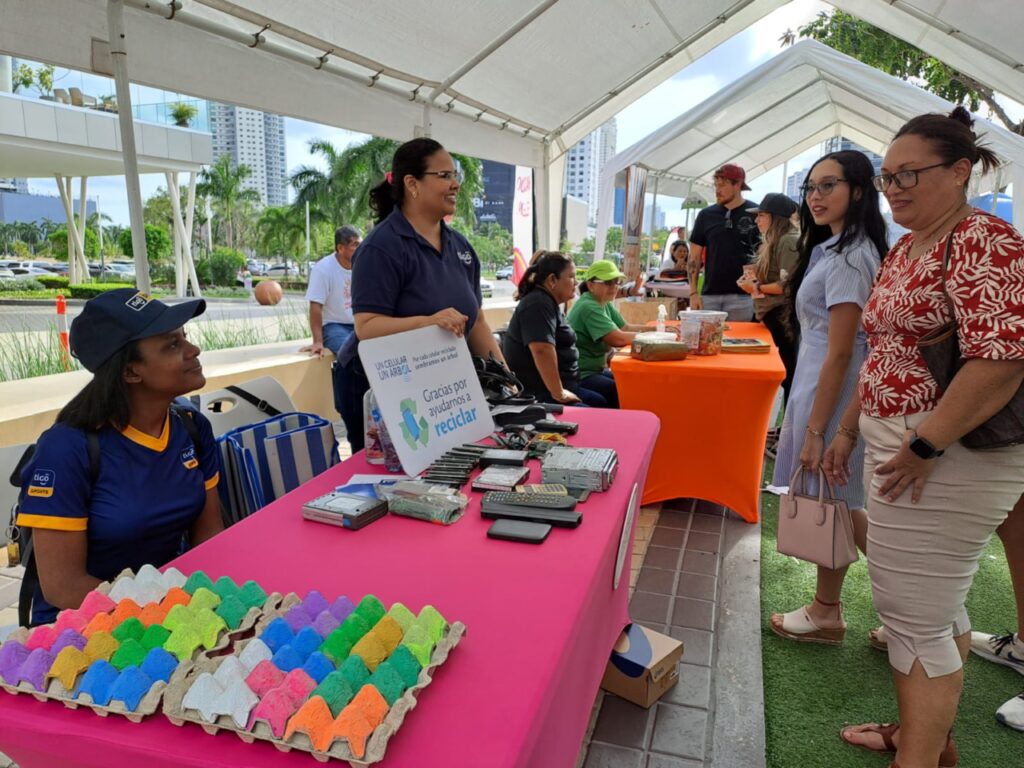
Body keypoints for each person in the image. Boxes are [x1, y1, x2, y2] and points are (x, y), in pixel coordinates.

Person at [825, 107, 1024, 768]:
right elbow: (882, 353)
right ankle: (927, 740)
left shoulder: (982, 239)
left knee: (911, 617)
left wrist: (923, 445)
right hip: (907, 447)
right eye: (886, 178)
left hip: (945, 456)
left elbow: (1000, 361)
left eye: (909, 174)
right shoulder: (910, 245)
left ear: (961, 170)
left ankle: (920, 753)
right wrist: (851, 430)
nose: (895, 188)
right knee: (930, 610)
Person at [16, 289, 223, 625]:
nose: (193, 350)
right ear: (129, 372)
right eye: (172, 345)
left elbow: (210, 537)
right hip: (83, 625)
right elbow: (63, 587)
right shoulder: (67, 450)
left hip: (168, 609)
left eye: (185, 337)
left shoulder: (192, 428)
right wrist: (160, 614)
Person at [767, 151, 888, 651]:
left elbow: (844, 349)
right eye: (810, 187)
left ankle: (833, 611)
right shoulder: (836, 248)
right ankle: (899, 609)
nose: (815, 196)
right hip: (819, 384)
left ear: (858, 190)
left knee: (836, 496)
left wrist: (819, 429)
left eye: (828, 185)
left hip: (832, 389)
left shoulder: (851, 256)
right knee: (839, 501)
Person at [334, 138, 505, 450]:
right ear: (411, 184)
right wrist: (429, 322)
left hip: (435, 382)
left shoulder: (461, 247)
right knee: (390, 477)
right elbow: (367, 327)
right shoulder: (381, 247)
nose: (455, 184)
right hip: (374, 384)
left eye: (457, 176)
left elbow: (476, 320)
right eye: (445, 176)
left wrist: (507, 381)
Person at [501, 251, 599, 406]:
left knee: (606, 396)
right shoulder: (537, 304)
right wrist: (559, 393)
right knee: (598, 408)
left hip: (567, 384)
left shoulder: (547, 301)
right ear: (552, 279)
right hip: (542, 394)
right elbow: (542, 349)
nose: (576, 282)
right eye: (572, 277)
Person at [737, 192, 800, 406]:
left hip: (782, 317)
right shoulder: (775, 241)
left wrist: (755, 286)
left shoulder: (788, 241)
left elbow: (787, 286)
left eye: (761, 215)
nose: (756, 220)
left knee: (789, 374)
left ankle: (788, 430)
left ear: (775, 217)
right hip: (772, 315)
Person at [301, 225, 362, 445]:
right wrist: (317, 341)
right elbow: (315, 306)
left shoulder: (361, 265)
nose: (359, 247)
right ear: (340, 248)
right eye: (355, 244)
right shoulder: (323, 269)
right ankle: (345, 408)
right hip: (334, 325)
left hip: (358, 324)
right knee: (351, 355)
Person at [565, 260, 647, 408]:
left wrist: (661, 330)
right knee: (621, 389)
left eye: (616, 282)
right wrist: (655, 337)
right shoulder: (588, 306)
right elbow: (618, 339)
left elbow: (626, 327)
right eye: (608, 282)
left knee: (630, 381)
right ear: (590, 285)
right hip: (581, 374)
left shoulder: (603, 302)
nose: (614, 286)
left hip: (594, 370)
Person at [687, 164, 761, 320]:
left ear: (738, 185)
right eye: (716, 185)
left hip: (744, 296)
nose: (717, 190)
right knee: (707, 343)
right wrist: (693, 293)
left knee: (739, 342)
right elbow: (693, 257)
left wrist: (758, 290)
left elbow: (765, 253)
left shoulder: (756, 213)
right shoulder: (705, 215)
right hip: (710, 295)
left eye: (722, 185)